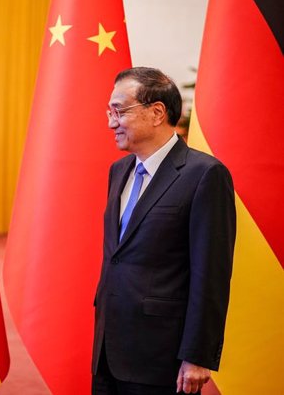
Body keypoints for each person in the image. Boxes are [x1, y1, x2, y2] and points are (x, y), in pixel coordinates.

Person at [92, 67, 236, 395]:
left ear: (157, 112)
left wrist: (198, 356)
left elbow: (211, 274)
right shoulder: (120, 170)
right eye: (108, 112)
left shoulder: (205, 175)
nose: (110, 122)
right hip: (108, 347)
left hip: (161, 356)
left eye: (119, 111)